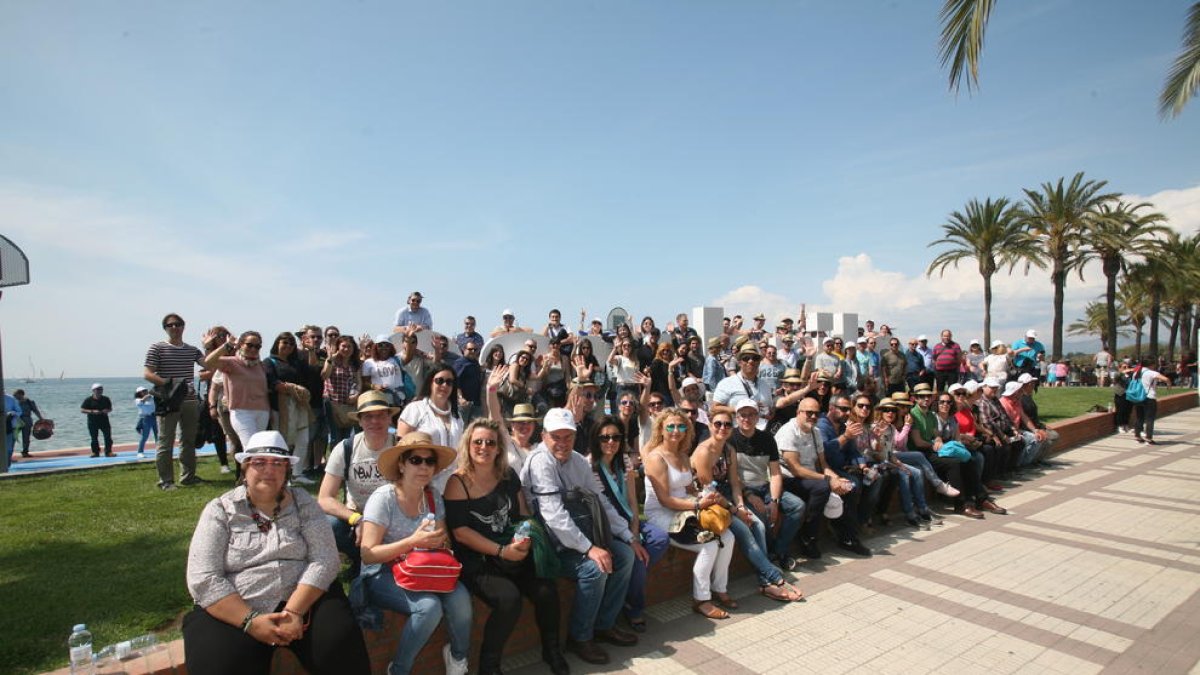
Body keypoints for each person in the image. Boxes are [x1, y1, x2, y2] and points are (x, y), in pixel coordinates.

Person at [183, 431, 370, 675]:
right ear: (245, 468)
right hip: (239, 603)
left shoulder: (304, 504)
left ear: (286, 470)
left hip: (304, 597)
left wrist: (293, 611)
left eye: (277, 463)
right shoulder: (220, 510)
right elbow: (203, 577)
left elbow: (325, 559)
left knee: (343, 652)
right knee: (220, 663)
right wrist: (250, 621)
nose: (268, 470)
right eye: (259, 462)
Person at [444, 419, 569, 675]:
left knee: (546, 590)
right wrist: (502, 551)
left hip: (512, 550)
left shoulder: (507, 474)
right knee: (509, 600)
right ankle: (489, 668)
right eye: (477, 442)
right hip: (479, 560)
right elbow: (461, 533)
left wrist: (524, 538)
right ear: (467, 446)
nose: (484, 447)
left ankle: (552, 650)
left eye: (491, 442)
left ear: (499, 447)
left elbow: (523, 512)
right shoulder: (457, 483)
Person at [519, 408, 641, 666]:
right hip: (551, 545)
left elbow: (602, 503)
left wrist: (628, 535)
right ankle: (580, 637)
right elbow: (553, 516)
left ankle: (605, 624)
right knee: (594, 569)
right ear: (544, 436)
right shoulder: (540, 461)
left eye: (568, 436)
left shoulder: (577, 461)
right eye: (556, 437)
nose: (562, 443)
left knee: (626, 555)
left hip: (579, 536)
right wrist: (589, 549)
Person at [359, 432, 472, 675]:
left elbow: (444, 542)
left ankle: (457, 659)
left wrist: (438, 542)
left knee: (461, 598)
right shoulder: (383, 499)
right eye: (415, 460)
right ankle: (398, 670)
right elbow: (368, 554)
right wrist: (413, 541)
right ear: (401, 464)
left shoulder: (433, 497)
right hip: (383, 573)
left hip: (424, 569)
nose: (423, 467)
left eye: (429, 461)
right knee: (429, 608)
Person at [643, 408, 736, 620]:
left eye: (681, 426)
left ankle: (720, 588)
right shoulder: (656, 458)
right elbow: (665, 499)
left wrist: (703, 497)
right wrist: (697, 506)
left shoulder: (684, 455)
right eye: (671, 426)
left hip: (685, 509)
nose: (676, 430)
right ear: (661, 429)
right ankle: (701, 599)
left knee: (728, 537)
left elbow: (688, 489)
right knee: (710, 544)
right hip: (661, 514)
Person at [586, 415, 668, 632]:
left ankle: (628, 593)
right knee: (634, 556)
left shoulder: (624, 461)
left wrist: (634, 528)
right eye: (604, 438)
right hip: (607, 529)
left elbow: (632, 500)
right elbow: (605, 511)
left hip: (629, 521)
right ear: (596, 439)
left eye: (615, 437)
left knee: (659, 539)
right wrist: (631, 539)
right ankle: (634, 608)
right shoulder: (589, 467)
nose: (610, 442)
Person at [317, 392, 399, 580]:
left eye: (380, 415)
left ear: (389, 418)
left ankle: (382, 560)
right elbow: (324, 498)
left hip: (393, 517)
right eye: (368, 416)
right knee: (329, 524)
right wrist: (357, 519)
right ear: (360, 421)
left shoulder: (400, 446)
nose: (375, 421)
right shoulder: (345, 448)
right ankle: (358, 558)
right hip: (357, 517)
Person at [146, 313, 209, 490]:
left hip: (190, 401)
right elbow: (148, 373)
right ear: (165, 328)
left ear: (184, 326)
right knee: (166, 442)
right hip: (169, 401)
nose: (175, 327)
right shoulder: (157, 348)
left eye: (178, 324)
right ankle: (166, 480)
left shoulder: (192, 350)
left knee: (188, 440)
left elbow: (209, 365)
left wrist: (210, 346)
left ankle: (188, 476)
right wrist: (169, 385)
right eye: (170, 325)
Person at [396, 367, 465, 492]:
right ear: (430, 382)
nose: (444, 385)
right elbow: (400, 447)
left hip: (453, 484)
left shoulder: (457, 416)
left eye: (449, 382)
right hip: (422, 482)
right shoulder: (415, 409)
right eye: (440, 381)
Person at [204, 331, 271, 450]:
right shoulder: (231, 362)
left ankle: (248, 469)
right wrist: (227, 345)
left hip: (262, 412)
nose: (253, 349)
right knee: (251, 448)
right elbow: (209, 361)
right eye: (249, 345)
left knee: (260, 448)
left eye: (257, 346)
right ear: (240, 345)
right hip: (242, 412)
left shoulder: (260, 365)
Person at [1127, 359, 1172, 445]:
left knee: (1140, 417)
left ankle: (1137, 436)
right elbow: (1166, 379)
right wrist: (1169, 385)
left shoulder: (1137, 372)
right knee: (1150, 419)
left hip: (1138, 397)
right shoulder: (1151, 373)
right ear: (1151, 364)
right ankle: (1148, 438)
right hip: (1149, 397)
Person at [81, 383, 114, 458]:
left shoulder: (106, 399)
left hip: (104, 421)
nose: (99, 391)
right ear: (93, 390)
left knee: (108, 437)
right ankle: (95, 452)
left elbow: (110, 408)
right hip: (92, 421)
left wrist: (107, 411)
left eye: (101, 389)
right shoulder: (88, 400)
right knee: (94, 438)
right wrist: (92, 411)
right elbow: (82, 410)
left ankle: (108, 452)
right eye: (97, 389)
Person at [12, 389, 43, 458]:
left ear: (21, 394)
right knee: (13, 437)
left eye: (15, 395)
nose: (14, 396)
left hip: (27, 420)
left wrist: (41, 418)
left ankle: (25, 452)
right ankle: (10, 452)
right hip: (17, 420)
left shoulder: (29, 402)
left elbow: (35, 410)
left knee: (26, 437)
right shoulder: (14, 401)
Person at [135, 386, 158, 457]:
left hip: (154, 417)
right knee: (145, 436)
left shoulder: (151, 399)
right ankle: (140, 452)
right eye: (143, 391)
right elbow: (141, 402)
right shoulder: (138, 400)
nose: (145, 392)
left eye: (146, 390)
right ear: (139, 393)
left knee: (157, 435)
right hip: (146, 418)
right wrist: (148, 395)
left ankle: (159, 449)